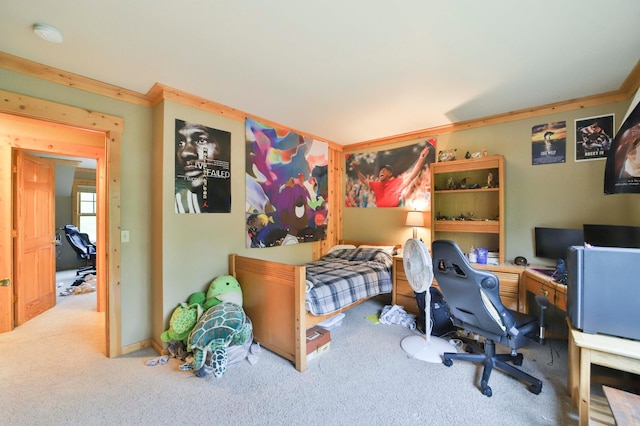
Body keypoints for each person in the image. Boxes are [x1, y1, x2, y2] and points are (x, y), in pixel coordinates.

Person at [175, 120, 231, 213]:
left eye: (201, 140)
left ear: (224, 147)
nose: (185, 153)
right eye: (180, 143)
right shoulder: (180, 205)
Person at [350, 145, 431, 207]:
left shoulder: (397, 182)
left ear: (390, 174)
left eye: (384, 171)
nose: (381, 172)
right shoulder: (376, 185)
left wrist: (421, 157)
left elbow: (413, 174)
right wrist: (356, 169)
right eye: (380, 171)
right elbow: (364, 180)